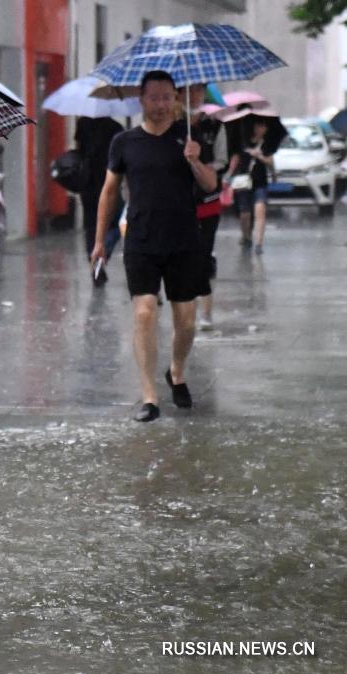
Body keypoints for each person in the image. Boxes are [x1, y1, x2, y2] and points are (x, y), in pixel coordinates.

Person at [92, 71, 217, 423]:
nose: (161, 104)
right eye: (154, 97)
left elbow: (211, 186)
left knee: (186, 321)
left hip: (184, 241)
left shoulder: (188, 138)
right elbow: (109, 192)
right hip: (141, 240)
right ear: (142, 100)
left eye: (167, 97)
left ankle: (176, 372)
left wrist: (194, 160)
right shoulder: (124, 142)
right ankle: (149, 396)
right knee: (145, 312)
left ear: (176, 99)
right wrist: (100, 241)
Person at [181, 84, 229, 331]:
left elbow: (222, 161)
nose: (194, 95)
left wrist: (201, 166)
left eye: (199, 90)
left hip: (207, 202)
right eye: (189, 91)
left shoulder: (216, 127)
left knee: (203, 255)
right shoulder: (172, 127)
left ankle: (205, 312)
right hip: (178, 203)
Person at [75, 116, 124, 285]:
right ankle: (101, 256)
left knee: (91, 225)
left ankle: (95, 257)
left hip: (88, 183)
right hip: (108, 182)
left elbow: (79, 150)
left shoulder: (82, 123)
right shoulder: (116, 127)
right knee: (120, 221)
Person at [226, 114, 274, 256]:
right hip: (243, 182)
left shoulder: (266, 144)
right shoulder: (242, 141)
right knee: (245, 214)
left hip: (260, 182)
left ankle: (259, 243)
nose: (262, 129)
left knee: (260, 210)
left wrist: (259, 156)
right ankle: (246, 236)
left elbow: (271, 161)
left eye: (264, 126)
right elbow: (235, 158)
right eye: (259, 125)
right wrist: (229, 174)